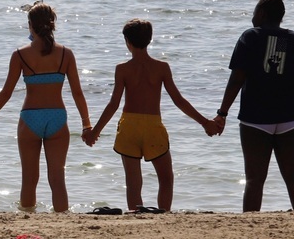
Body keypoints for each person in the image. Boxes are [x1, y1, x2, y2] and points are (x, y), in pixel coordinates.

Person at [83, 19, 219, 211]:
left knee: (133, 182)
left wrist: (95, 132)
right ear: (149, 40)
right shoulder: (161, 68)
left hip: (129, 125)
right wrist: (205, 122)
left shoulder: (122, 69)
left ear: (127, 42)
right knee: (166, 178)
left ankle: (136, 215)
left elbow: (113, 104)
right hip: (153, 126)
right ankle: (162, 214)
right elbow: (178, 100)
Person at [0, 2, 90, 212]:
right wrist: (87, 125)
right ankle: (63, 218)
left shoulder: (20, 55)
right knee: (58, 178)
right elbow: (78, 93)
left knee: (29, 178)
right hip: (57, 117)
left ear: (30, 25)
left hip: (30, 118)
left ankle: (28, 217)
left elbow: (6, 92)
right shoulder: (66, 54)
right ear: (53, 23)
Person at [213, 0, 294, 211]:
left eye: (254, 13)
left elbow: (236, 79)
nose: (252, 17)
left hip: (255, 119)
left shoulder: (250, 37)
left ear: (261, 14)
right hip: (290, 118)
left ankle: (250, 222)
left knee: (254, 180)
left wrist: (222, 113)